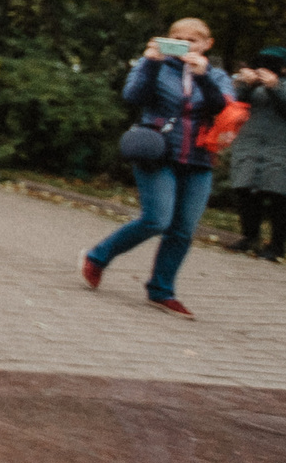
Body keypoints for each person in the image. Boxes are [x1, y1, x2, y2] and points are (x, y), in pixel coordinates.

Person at [84, 19, 235, 314]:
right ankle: (98, 256)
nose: (185, 44)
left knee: (183, 230)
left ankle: (161, 290)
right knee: (157, 219)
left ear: (207, 44)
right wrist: (151, 62)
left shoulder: (216, 75)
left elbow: (223, 109)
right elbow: (133, 97)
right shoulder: (155, 65)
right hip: (157, 152)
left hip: (199, 158)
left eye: (192, 40)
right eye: (177, 38)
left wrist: (202, 76)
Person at [229, 46, 286, 260]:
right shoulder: (251, 84)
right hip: (250, 145)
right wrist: (245, 85)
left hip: (285, 149)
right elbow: (231, 103)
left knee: (281, 196)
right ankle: (249, 237)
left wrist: (275, 87)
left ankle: (277, 245)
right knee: (246, 192)